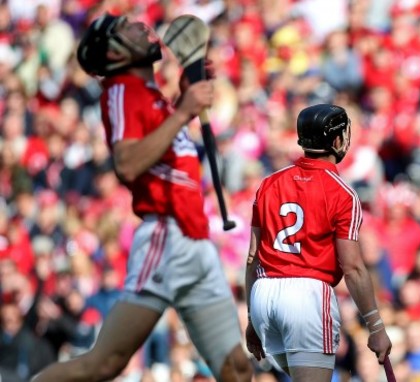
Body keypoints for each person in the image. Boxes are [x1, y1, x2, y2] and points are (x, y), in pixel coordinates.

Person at [32, 14, 252, 382]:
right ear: (115, 54)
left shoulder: (153, 97)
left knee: (237, 369)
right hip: (167, 238)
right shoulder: (122, 90)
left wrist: (183, 98)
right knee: (104, 363)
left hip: (195, 240)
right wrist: (183, 111)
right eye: (125, 30)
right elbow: (128, 163)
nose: (140, 27)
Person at [244, 104, 392, 382]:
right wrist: (376, 327)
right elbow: (353, 269)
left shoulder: (268, 182)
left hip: (263, 295)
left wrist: (252, 318)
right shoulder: (343, 193)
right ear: (337, 141)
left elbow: (253, 256)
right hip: (307, 297)